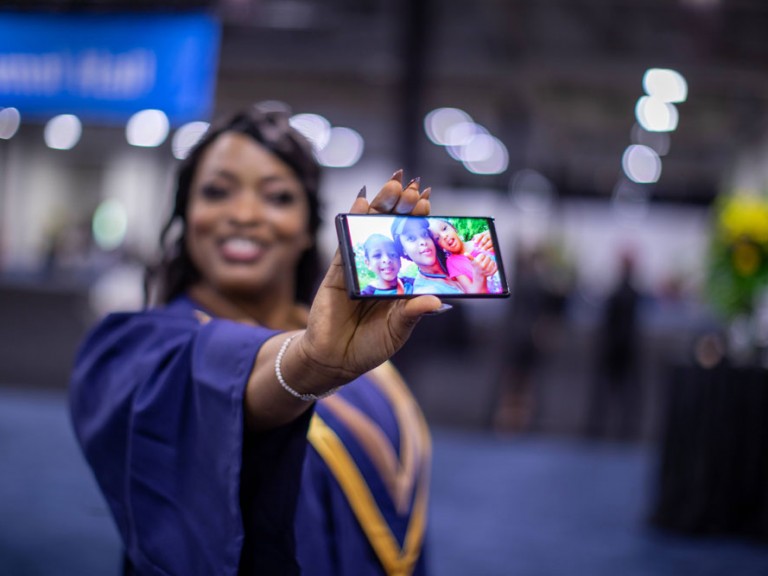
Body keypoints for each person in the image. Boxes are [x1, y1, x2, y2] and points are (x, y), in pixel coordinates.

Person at [68, 102, 442, 576]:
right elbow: (218, 381)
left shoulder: (373, 363)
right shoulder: (134, 353)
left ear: (309, 228)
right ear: (187, 217)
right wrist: (308, 362)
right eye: (216, 192)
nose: (243, 214)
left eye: (277, 197)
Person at [390, 216, 464, 295]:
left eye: (424, 234)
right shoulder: (425, 292)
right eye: (411, 238)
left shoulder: (449, 255)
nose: (423, 241)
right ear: (403, 249)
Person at [428, 218, 498, 294]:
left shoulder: (479, 241)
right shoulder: (452, 263)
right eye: (437, 238)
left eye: (444, 228)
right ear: (440, 246)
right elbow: (471, 292)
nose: (444, 236)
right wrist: (479, 274)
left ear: (454, 228)